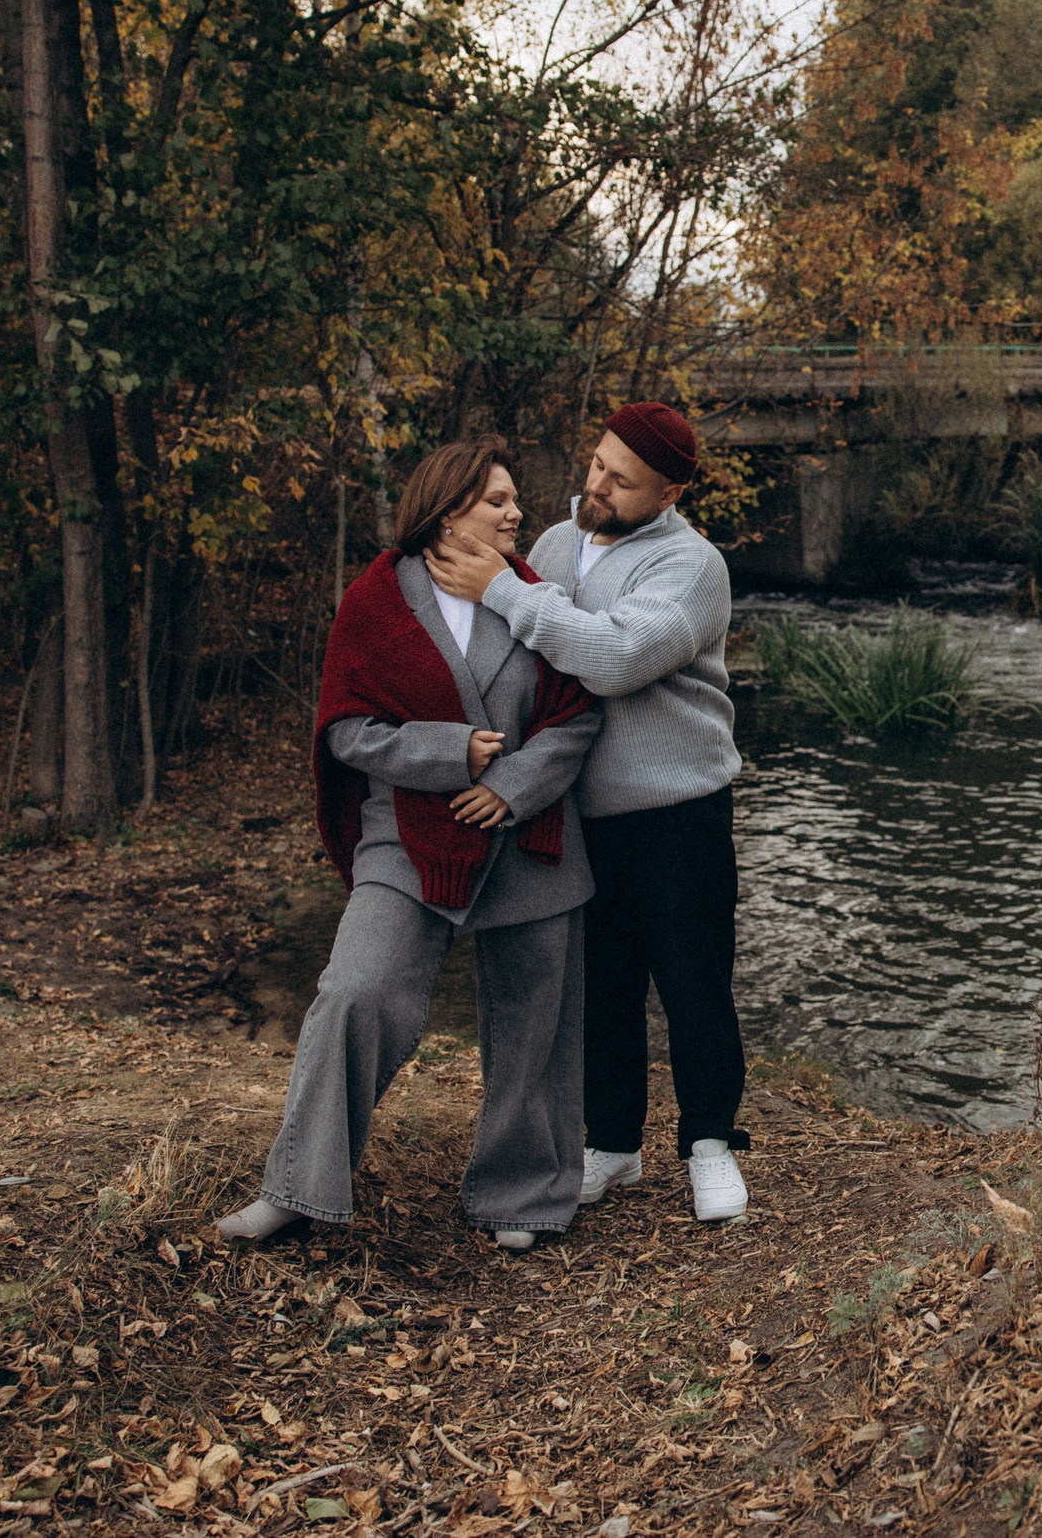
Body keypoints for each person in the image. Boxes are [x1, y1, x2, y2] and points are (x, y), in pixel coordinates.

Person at [217, 438, 601, 1252]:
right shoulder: (376, 602)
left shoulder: (536, 597)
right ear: (448, 508)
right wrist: (447, 750)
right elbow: (346, 729)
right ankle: (297, 1186)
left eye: (513, 500)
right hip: (409, 833)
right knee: (357, 991)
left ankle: (521, 1195)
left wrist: (510, 786)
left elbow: (578, 717)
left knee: (536, 1019)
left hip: (528, 833)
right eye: (497, 500)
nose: (515, 513)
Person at [426, 401, 748, 1222]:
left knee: (692, 978)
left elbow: (613, 657)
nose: (596, 482)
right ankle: (614, 1142)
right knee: (599, 985)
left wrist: (501, 588)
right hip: (577, 809)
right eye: (599, 462)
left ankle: (710, 1142)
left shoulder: (693, 566)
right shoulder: (555, 545)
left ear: (670, 490)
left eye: (622, 478)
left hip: (679, 808)